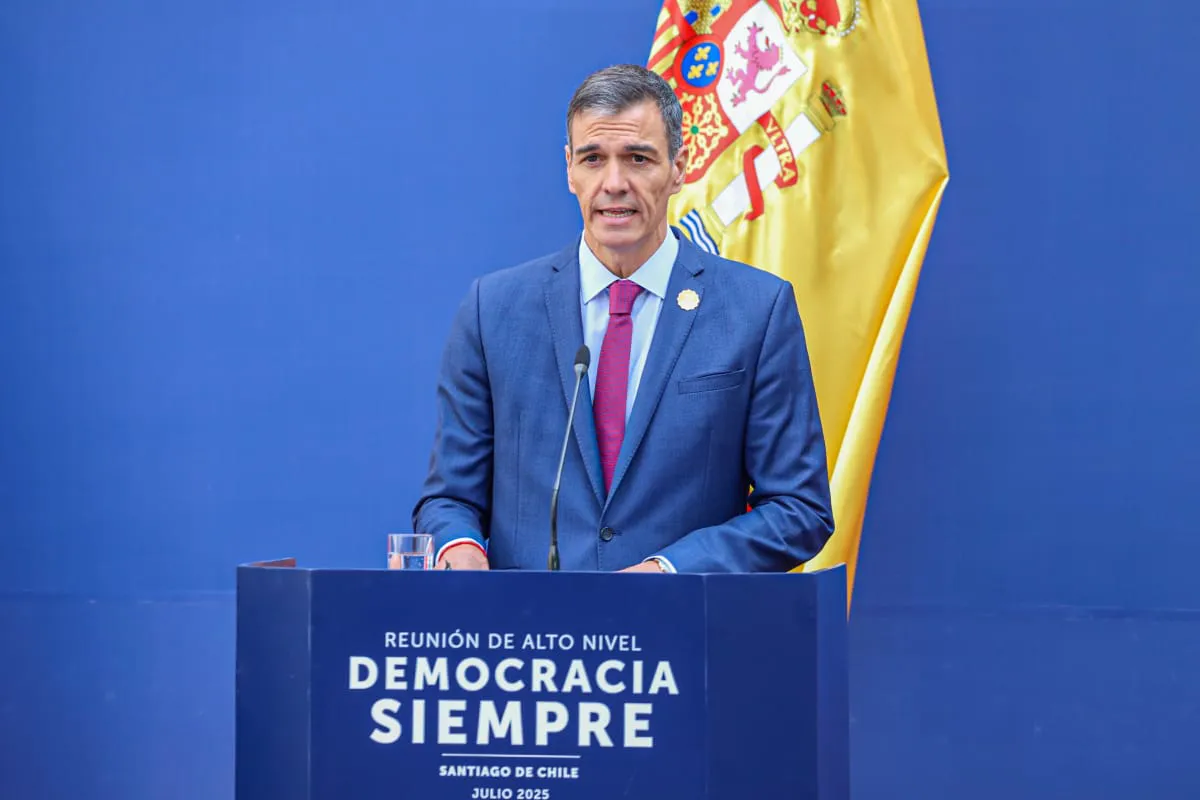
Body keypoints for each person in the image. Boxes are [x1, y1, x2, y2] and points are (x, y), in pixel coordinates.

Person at [411, 64, 834, 573]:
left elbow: (798, 509)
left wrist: (668, 572)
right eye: (593, 159)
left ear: (678, 168)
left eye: (638, 158)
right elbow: (449, 499)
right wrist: (460, 550)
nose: (614, 183)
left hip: (684, 634)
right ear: (569, 170)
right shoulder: (493, 309)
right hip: (528, 637)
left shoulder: (756, 310)